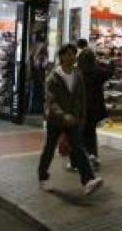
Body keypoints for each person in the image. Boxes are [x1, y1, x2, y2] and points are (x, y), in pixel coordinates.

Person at [38, 44, 104, 195]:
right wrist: (62, 115)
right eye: (68, 54)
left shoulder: (77, 75)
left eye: (73, 54)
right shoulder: (53, 77)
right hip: (56, 120)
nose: (71, 57)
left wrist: (81, 117)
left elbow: (81, 98)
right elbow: (51, 101)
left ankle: (88, 180)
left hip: (73, 119)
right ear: (61, 56)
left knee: (79, 148)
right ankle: (43, 177)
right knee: (49, 148)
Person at [77, 47, 112, 169]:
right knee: (91, 132)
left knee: (79, 133)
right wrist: (102, 61)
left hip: (80, 106)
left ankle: (79, 159)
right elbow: (109, 72)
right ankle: (93, 156)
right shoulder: (97, 71)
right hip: (94, 106)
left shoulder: (77, 71)